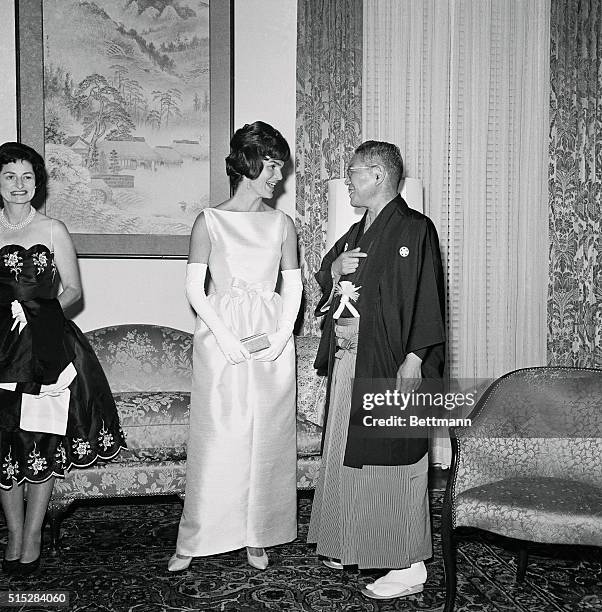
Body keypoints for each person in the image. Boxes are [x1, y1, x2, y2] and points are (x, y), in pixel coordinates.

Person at [307, 140, 445, 599]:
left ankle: (409, 566)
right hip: (353, 361)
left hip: (390, 362)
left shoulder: (414, 228)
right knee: (350, 454)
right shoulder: (356, 231)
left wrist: (415, 358)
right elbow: (329, 278)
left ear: (379, 174)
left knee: (394, 457)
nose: (347, 181)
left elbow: (427, 297)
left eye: (353, 173)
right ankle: (355, 543)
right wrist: (334, 267)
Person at [168, 121, 302, 572]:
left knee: (266, 435)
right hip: (221, 338)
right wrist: (224, 337)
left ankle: (256, 533)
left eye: (280, 168)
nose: (278, 177)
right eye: (272, 166)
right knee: (219, 435)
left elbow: (294, 286)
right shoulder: (208, 220)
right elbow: (194, 287)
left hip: (270, 342)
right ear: (248, 164)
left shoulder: (283, 224)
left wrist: (282, 338)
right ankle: (196, 537)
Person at [0, 142, 125, 575]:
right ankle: (13, 533)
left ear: (38, 183)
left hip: (48, 348)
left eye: (28, 177)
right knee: (6, 441)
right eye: (10, 177)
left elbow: (72, 290)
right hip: (1, 350)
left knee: (42, 437)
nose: (20, 186)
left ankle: (32, 535)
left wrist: (37, 315)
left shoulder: (53, 229)